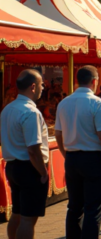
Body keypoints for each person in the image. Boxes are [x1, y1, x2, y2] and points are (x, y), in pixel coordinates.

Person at [55, 65, 101, 238]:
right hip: (93, 158)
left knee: (74, 206)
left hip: (72, 158)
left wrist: (65, 154)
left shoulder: (64, 102)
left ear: (77, 80)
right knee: (93, 209)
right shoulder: (97, 103)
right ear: (94, 81)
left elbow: (58, 134)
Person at [1, 70, 49, 239]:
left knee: (18, 213)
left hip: (13, 166)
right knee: (28, 219)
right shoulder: (30, 112)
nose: (44, 88)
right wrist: (43, 172)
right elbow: (33, 150)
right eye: (42, 84)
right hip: (29, 167)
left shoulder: (7, 109)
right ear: (33, 87)